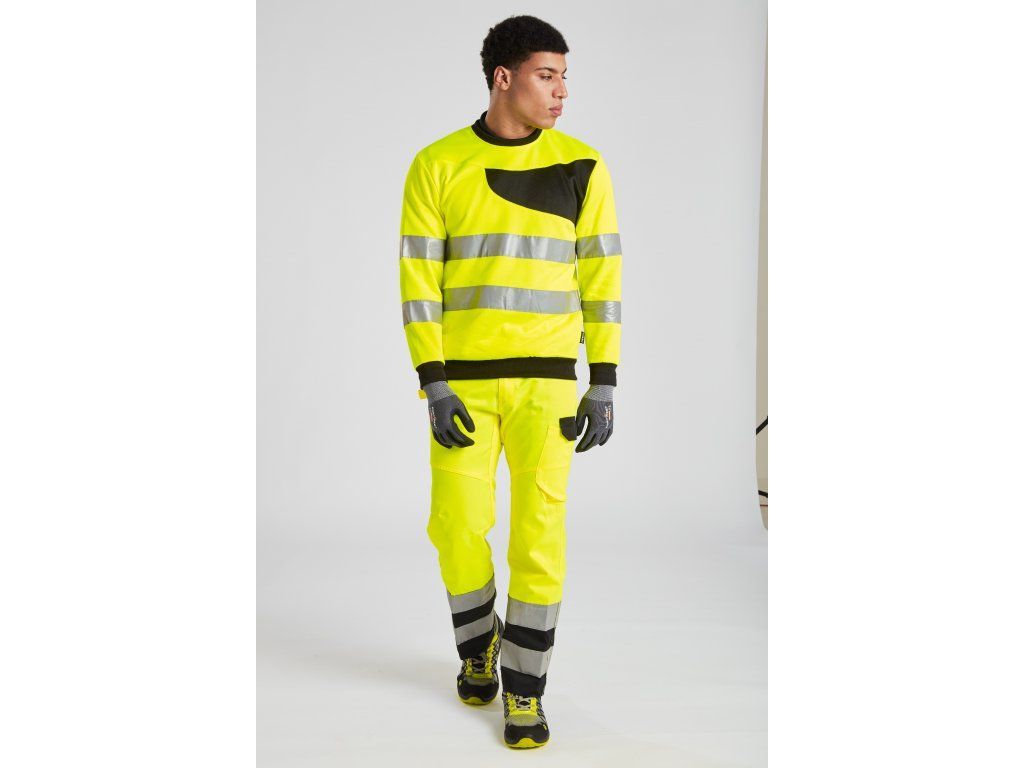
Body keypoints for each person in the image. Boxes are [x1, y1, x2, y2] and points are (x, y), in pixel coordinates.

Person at [398, 13, 622, 749]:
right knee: (455, 526)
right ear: (504, 78)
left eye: (564, 77)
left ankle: (526, 689)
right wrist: (433, 383)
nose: (562, 91)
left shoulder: (583, 165)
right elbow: (418, 283)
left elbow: (603, 280)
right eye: (547, 75)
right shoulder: (437, 164)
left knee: (539, 535)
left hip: (549, 387)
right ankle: (478, 646)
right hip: (462, 387)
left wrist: (604, 380)